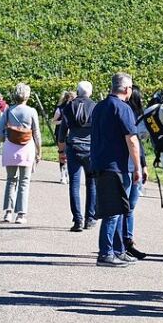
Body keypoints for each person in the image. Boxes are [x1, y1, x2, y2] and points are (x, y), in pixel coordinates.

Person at [90, 73, 142, 267]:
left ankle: (118, 250)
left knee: (119, 209)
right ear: (127, 89)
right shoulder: (123, 108)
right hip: (117, 166)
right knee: (113, 211)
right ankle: (106, 252)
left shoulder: (99, 107)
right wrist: (137, 166)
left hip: (100, 162)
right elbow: (132, 139)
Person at [0, 82, 43, 225]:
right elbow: (37, 133)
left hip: (10, 147)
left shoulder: (8, 111)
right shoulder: (31, 111)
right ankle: (21, 214)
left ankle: (8, 212)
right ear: (27, 96)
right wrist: (39, 151)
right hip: (27, 148)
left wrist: (5, 138)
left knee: (11, 181)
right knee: (24, 182)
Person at [58, 83, 96, 232]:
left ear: (78, 92)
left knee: (74, 184)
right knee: (91, 183)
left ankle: (78, 220)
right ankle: (90, 218)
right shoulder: (95, 107)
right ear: (90, 93)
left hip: (73, 147)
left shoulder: (69, 106)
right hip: (90, 148)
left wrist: (61, 152)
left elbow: (62, 132)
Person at [123, 85, 149, 260]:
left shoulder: (137, 118)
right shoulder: (128, 117)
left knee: (129, 206)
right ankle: (125, 242)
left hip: (135, 164)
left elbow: (139, 144)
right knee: (128, 206)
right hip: (129, 165)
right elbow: (136, 143)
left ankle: (127, 241)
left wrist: (144, 164)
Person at [52, 90, 75, 183]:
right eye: (73, 98)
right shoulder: (60, 109)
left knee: (71, 155)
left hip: (72, 134)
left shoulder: (75, 108)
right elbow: (54, 121)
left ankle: (68, 175)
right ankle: (63, 175)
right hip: (61, 134)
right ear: (68, 98)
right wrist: (63, 122)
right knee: (62, 154)